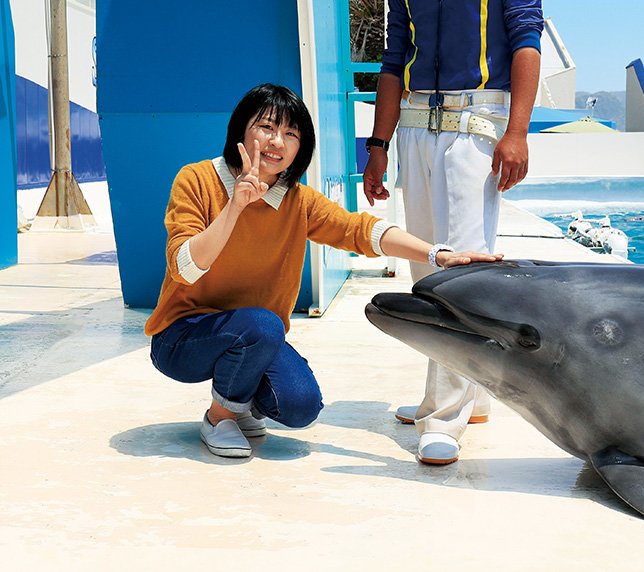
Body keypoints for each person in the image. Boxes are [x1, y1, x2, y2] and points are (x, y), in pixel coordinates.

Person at [145, 84, 501, 458]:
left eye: (291, 134)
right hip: (183, 337)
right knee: (263, 325)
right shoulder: (197, 180)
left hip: (253, 335)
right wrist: (235, 207)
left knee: (300, 405)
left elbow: (362, 231)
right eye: (266, 127)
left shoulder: (297, 200)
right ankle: (220, 418)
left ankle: (238, 401)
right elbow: (185, 267)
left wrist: (437, 254)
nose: (276, 141)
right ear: (241, 130)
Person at [362, 1, 543, 464]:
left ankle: (444, 417)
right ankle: (471, 397)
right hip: (415, 126)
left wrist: (518, 131)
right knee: (424, 271)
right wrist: (379, 145)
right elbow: (394, 60)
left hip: (476, 125)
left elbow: (527, 39)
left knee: (461, 274)